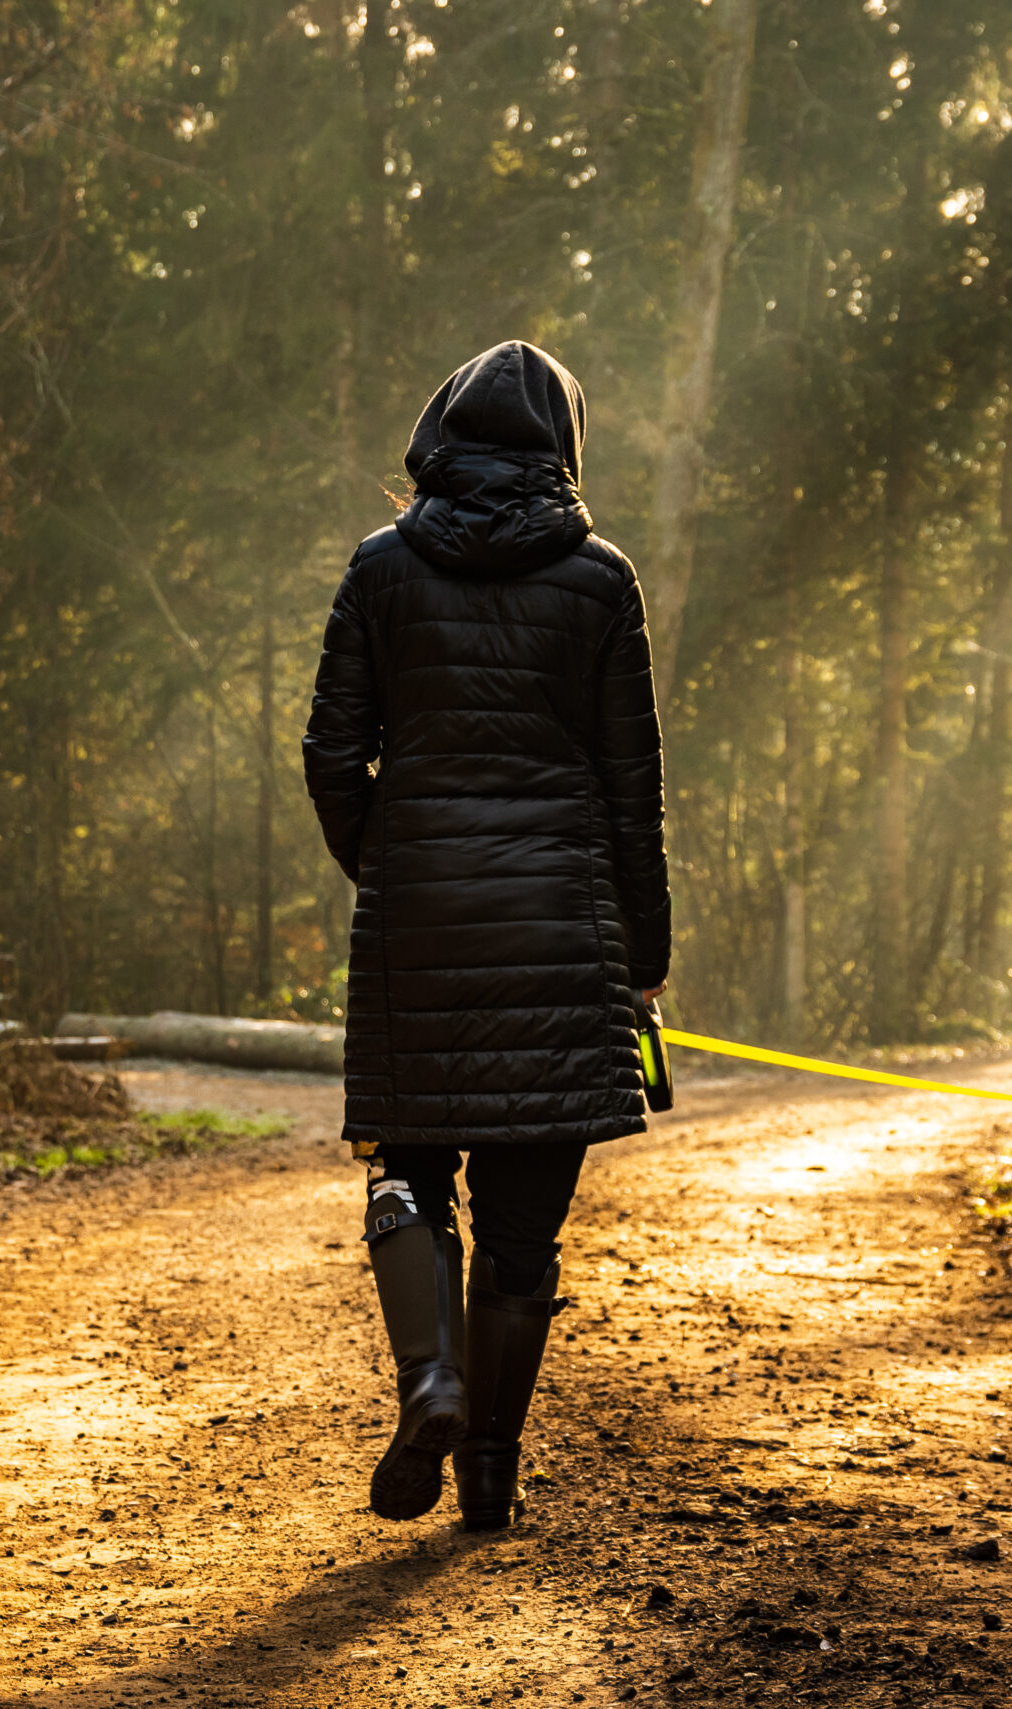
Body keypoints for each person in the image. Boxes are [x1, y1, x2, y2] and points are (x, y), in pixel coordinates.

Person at [300, 340, 670, 1532]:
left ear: (439, 436)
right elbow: (631, 789)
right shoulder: (603, 582)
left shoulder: (379, 568)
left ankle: (432, 1380)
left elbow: (329, 755)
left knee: (408, 1170)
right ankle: (491, 1472)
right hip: (564, 932)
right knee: (522, 1230)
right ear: (563, 445)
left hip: (421, 928)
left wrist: (393, 865)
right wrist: (643, 954)